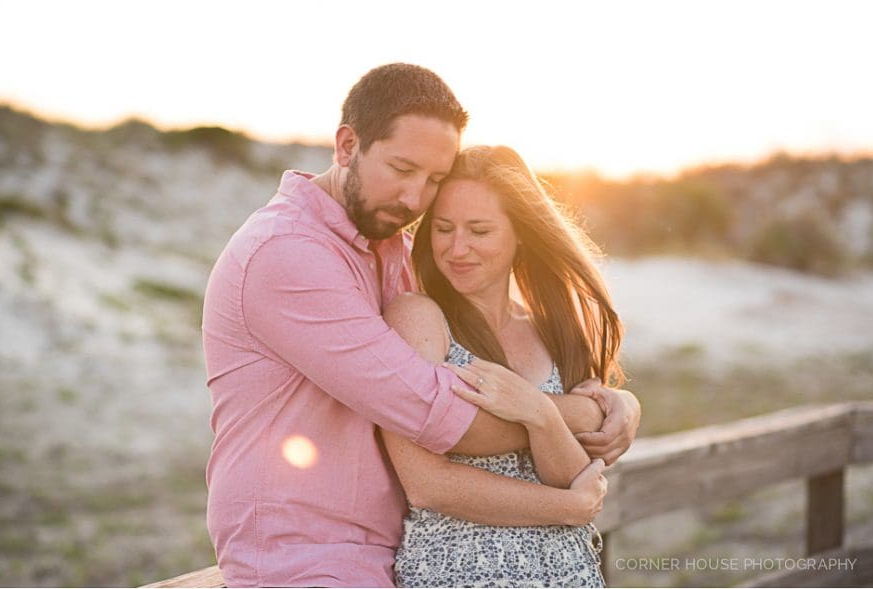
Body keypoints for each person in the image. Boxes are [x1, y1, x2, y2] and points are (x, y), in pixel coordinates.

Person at [202, 63, 640, 587]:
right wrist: (579, 412)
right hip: (304, 556)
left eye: (433, 179)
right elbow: (440, 414)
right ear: (346, 146)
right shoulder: (287, 253)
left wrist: (621, 404)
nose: (415, 200)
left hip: (387, 551)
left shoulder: (392, 245)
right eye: (402, 169)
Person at [382, 145, 626, 587]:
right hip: (462, 572)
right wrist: (566, 507)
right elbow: (427, 485)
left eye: (479, 230)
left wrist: (540, 413)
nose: (458, 249)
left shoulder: (553, 331)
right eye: (443, 229)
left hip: (566, 572)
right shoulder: (417, 317)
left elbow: (576, 474)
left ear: (520, 236)